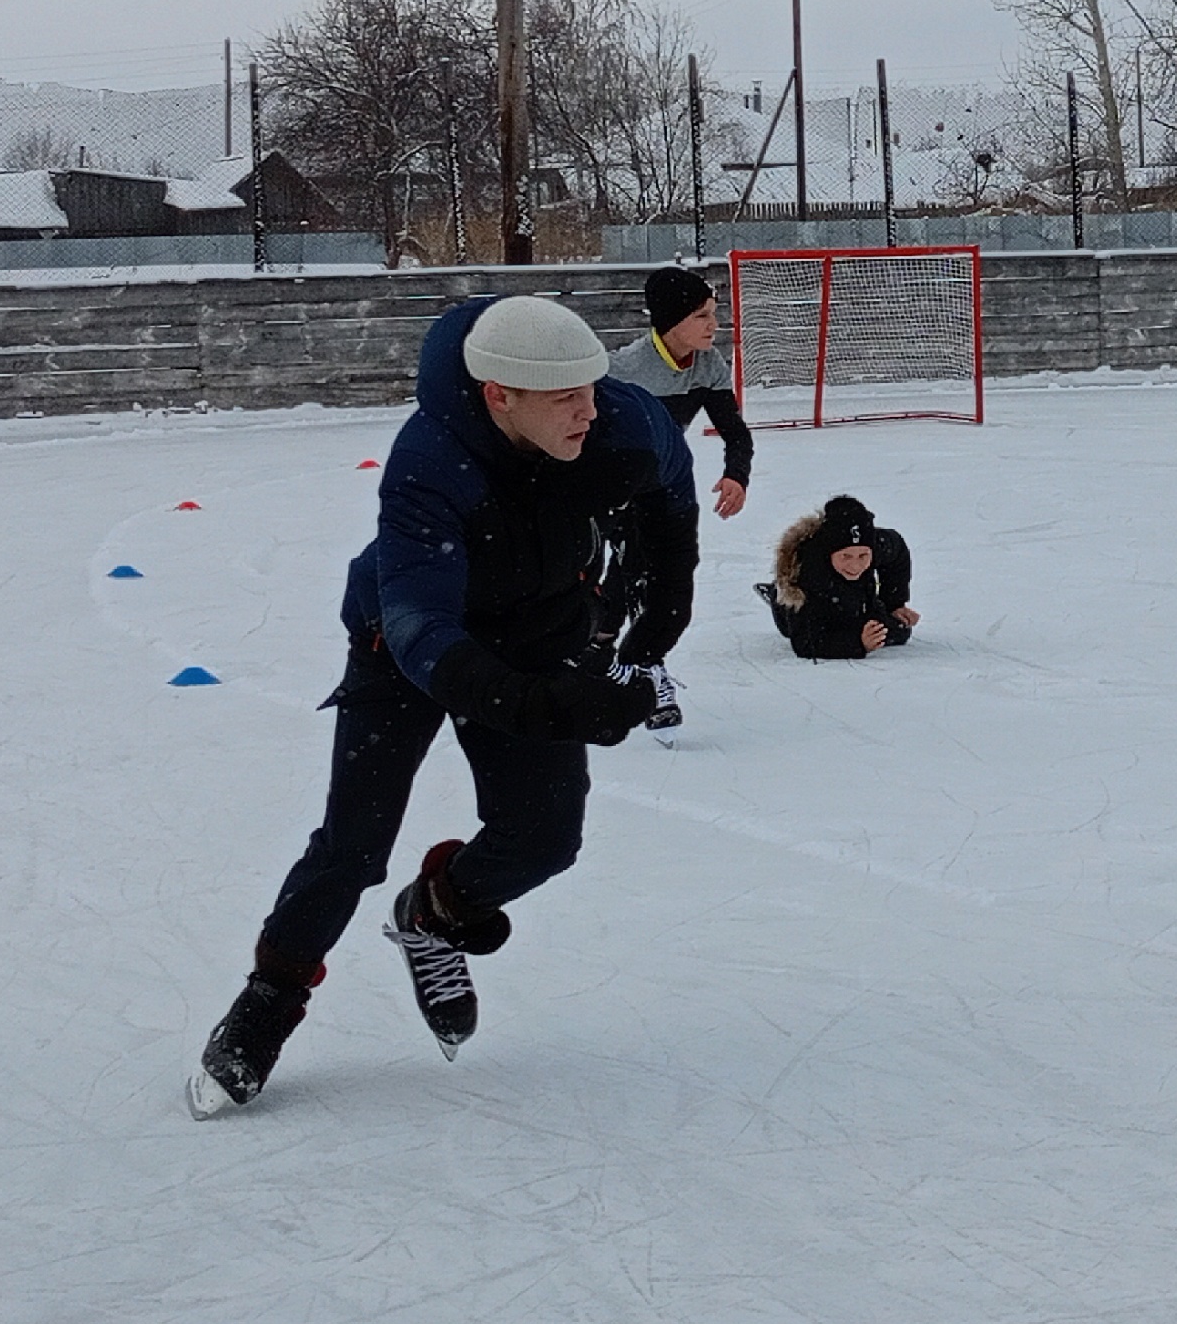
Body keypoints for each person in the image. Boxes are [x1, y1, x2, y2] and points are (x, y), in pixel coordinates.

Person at [187, 293, 691, 1117]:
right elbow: (423, 627)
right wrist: (544, 705)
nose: (589, 411)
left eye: (593, 389)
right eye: (565, 398)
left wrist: (671, 597)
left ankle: (436, 911)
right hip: (407, 646)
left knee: (546, 839)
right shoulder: (429, 460)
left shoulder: (615, 414)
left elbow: (673, 481)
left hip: (536, 627)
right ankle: (268, 1001)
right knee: (352, 845)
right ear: (501, 395)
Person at [601, 266, 753, 730]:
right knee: (631, 576)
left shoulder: (708, 364)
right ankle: (639, 670)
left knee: (671, 588)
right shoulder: (624, 369)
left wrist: (736, 476)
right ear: (670, 321)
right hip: (617, 486)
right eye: (702, 315)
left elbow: (735, 432)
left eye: (714, 313)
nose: (714, 324)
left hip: (668, 484)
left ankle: (622, 658)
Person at [756, 493, 919, 661]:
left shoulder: (875, 544)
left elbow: (897, 551)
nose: (855, 566)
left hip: (858, 599)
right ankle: (775, 595)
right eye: (846, 556)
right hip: (816, 606)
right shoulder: (809, 572)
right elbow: (805, 643)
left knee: (899, 631)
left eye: (863, 556)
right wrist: (858, 643)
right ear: (830, 552)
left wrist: (894, 603)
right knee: (813, 626)